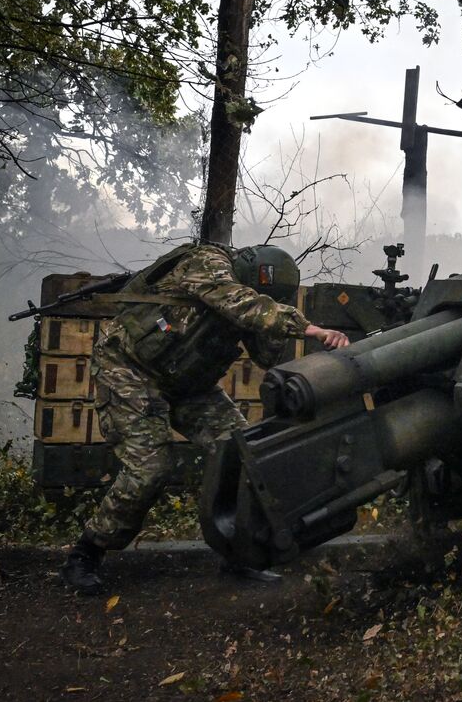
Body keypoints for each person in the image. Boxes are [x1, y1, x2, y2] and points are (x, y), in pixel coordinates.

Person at [60, 242, 349, 595]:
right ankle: (86, 552)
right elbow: (237, 301)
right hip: (130, 369)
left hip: (188, 383)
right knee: (150, 468)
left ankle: (239, 551)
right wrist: (310, 328)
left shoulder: (250, 302)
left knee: (248, 455)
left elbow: (265, 355)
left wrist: (298, 343)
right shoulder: (208, 263)